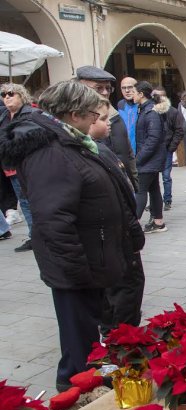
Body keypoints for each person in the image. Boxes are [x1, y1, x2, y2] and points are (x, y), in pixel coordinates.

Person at [1, 81, 144, 391]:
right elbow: (54, 219)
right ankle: (74, 395)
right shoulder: (49, 152)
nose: (96, 120)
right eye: (93, 114)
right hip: (77, 265)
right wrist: (76, 269)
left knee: (88, 336)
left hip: (92, 256)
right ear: (74, 114)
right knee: (79, 340)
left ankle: (89, 382)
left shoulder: (69, 141)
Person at [88, 97, 146, 332]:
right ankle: (119, 338)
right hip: (113, 238)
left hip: (114, 238)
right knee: (125, 290)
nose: (110, 122)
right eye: (103, 118)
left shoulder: (100, 148)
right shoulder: (93, 153)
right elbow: (117, 202)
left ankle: (116, 333)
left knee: (122, 291)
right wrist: (134, 234)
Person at [76, 66, 138, 192]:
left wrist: (134, 181)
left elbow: (128, 152)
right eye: (99, 88)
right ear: (82, 88)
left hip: (123, 185)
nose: (105, 92)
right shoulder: (78, 120)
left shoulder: (116, 115)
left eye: (108, 88)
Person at [0, 83, 35, 252]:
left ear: (22, 96)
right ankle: (34, 236)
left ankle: (39, 236)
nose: (7, 97)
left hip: (27, 165)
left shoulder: (30, 113)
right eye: (4, 94)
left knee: (32, 201)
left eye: (11, 93)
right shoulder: (4, 116)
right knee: (25, 203)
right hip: (10, 167)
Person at [132, 81, 168, 233]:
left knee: (140, 191)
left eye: (134, 92)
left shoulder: (150, 112)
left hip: (149, 159)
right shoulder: (145, 109)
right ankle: (158, 222)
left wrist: (138, 159)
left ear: (141, 94)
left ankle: (133, 226)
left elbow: (153, 139)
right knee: (154, 189)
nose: (132, 95)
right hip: (151, 159)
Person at [152, 86, 184, 210]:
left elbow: (179, 130)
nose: (158, 98)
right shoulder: (150, 110)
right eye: (155, 96)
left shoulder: (173, 112)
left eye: (161, 96)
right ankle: (155, 201)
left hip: (166, 148)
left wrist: (171, 147)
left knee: (166, 176)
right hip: (153, 149)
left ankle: (167, 200)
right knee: (152, 178)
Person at [117, 77, 138, 154]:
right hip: (125, 151)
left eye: (130, 87)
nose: (127, 91)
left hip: (142, 151)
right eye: (123, 88)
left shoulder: (143, 104)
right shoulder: (120, 105)